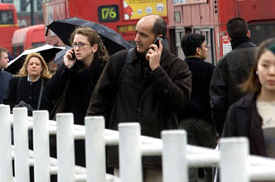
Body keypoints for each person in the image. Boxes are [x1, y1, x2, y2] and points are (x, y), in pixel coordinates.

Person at [87, 15, 191, 181]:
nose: (136, 39)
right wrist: (94, 139)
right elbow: (99, 103)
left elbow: (179, 103)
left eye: (143, 35)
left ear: (159, 39)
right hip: (123, 151)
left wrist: (157, 70)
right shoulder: (118, 62)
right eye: (136, 33)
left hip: (158, 155)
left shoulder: (177, 66)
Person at [45, 27, 109, 168]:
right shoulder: (70, 68)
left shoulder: (104, 70)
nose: (76, 48)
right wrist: (66, 68)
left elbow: (94, 96)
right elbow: (49, 94)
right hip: (71, 130)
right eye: (74, 44)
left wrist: (74, 72)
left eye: (81, 44)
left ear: (94, 48)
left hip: (97, 129)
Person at [222, 37, 275, 158]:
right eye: (265, 65)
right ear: (256, 68)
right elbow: (228, 159)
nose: (271, 72)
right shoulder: (239, 111)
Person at [178, 34, 216, 182]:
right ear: (198, 50)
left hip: (184, 122)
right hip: (206, 122)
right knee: (212, 160)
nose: (206, 49)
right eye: (205, 46)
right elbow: (213, 97)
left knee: (190, 162)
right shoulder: (209, 69)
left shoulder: (179, 68)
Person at [210, 17, 257, 135]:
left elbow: (217, 102)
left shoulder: (224, 63)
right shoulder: (266, 56)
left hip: (237, 127)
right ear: (248, 33)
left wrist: (222, 131)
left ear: (229, 37)